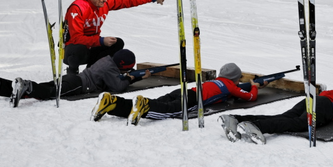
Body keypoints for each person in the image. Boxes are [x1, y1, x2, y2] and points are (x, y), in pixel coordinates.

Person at [218, 73, 333, 145]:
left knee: (285, 116)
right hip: (328, 108)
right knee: (298, 123)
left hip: (319, 98)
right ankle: (257, 127)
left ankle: (236, 119)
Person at [64, 0, 170, 75]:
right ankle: (73, 72)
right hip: (72, 50)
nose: (105, 0)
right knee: (80, 48)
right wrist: (100, 41)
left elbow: (128, 1)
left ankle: (92, 72)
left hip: (92, 45)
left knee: (117, 43)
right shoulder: (78, 8)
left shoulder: (105, 3)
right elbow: (76, 38)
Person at [92, 62, 258, 125]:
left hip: (184, 91)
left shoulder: (215, 81)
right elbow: (250, 97)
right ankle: (143, 105)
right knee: (165, 111)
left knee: (153, 103)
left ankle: (113, 102)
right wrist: (255, 86)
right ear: (235, 78)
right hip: (193, 99)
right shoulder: (230, 86)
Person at [0, 49, 150, 107]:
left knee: (45, 86)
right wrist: (133, 78)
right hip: (79, 84)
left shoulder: (107, 61)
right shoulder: (111, 69)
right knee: (48, 93)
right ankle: (27, 86)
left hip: (73, 78)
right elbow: (118, 87)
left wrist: (127, 74)